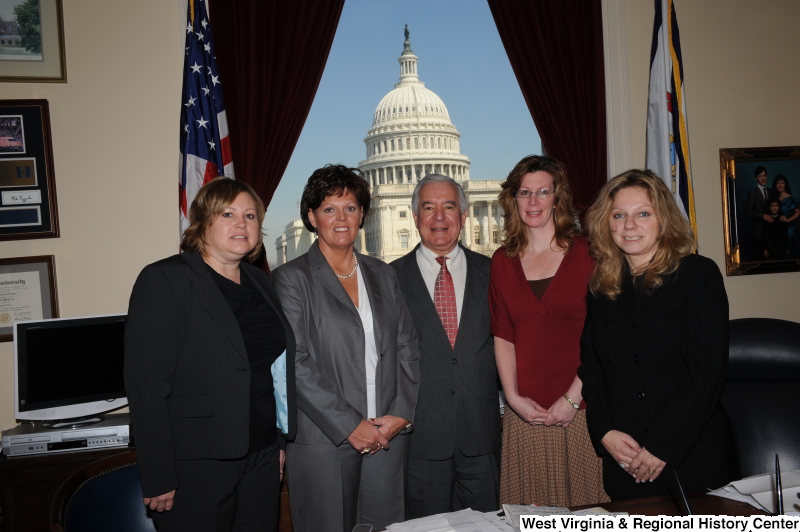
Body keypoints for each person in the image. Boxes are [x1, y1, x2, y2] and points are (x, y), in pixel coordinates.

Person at [124, 177, 296, 531]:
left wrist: (278, 442)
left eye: (250, 216)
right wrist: (158, 475)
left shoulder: (261, 281)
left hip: (262, 455)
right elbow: (147, 389)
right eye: (228, 214)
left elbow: (271, 372)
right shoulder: (164, 280)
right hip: (195, 464)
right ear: (203, 222)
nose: (242, 224)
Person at [272, 164, 420, 532]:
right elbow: (296, 363)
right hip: (324, 441)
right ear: (311, 216)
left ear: (362, 214)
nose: (341, 218)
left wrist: (402, 412)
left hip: (387, 436)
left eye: (350, 208)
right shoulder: (291, 279)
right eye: (329, 209)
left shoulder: (383, 273)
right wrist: (350, 425)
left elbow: (407, 345)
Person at [579, 169, 737, 501]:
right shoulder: (601, 285)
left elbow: (705, 374)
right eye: (618, 215)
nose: (629, 225)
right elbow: (592, 368)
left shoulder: (697, 275)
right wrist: (604, 430)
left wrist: (662, 446)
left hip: (689, 454)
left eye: (643, 214)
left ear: (663, 220)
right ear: (606, 223)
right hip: (624, 455)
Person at [489, 155, 608, 507]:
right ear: (513, 199)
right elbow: (503, 336)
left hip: (583, 410)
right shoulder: (501, 260)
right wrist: (512, 398)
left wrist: (573, 397)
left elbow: (603, 335)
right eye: (524, 193)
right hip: (525, 415)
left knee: (591, 516)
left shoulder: (590, 252)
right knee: (532, 520)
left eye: (543, 191)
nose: (534, 201)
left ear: (558, 196)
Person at [391, 174, 501, 518]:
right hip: (421, 439)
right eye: (428, 207)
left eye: (449, 206)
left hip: (482, 437)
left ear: (464, 216)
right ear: (415, 216)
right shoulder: (388, 278)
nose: (439, 217)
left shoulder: (495, 271)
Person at [745, 166, 778, 259]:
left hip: (772, 231)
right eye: (760, 176)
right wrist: (763, 216)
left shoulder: (771, 191)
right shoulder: (752, 193)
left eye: (764, 176)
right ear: (756, 178)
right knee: (761, 259)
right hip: (759, 231)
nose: (763, 178)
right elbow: (748, 211)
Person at [773, 174, 800, 258]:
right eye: (778, 183)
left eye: (782, 183)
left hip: (789, 230)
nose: (780, 185)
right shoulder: (774, 197)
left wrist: (788, 219)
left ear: (785, 184)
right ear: (775, 185)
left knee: (790, 253)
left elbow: (798, 212)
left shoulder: (791, 198)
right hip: (777, 229)